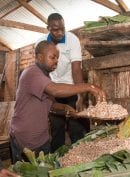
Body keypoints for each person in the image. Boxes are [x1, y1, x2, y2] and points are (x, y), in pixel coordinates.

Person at [10, 40, 106, 163]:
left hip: (41, 139)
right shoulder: (31, 73)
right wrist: (89, 87)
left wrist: (68, 110)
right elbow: (55, 90)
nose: (56, 61)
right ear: (39, 57)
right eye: (52, 57)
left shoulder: (44, 77)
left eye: (57, 58)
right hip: (26, 140)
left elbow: (51, 105)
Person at [36, 13, 89, 152]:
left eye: (62, 28)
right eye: (55, 29)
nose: (59, 32)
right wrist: (50, 96)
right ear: (48, 28)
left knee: (76, 126)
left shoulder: (72, 40)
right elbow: (42, 72)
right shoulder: (41, 44)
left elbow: (76, 69)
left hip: (70, 88)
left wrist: (80, 96)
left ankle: (81, 156)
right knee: (57, 127)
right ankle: (57, 161)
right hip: (52, 89)